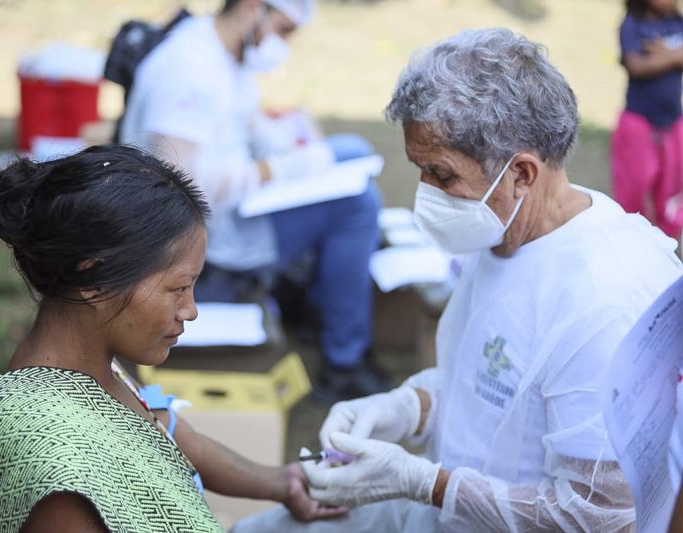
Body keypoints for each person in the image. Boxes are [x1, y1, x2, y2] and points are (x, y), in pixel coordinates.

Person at [232, 28, 683, 532]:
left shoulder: (604, 300)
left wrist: (426, 483)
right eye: (419, 170)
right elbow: (487, 381)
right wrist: (405, 409)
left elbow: (596, 517)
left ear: (522, 174)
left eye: (442, 175)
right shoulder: (504, 230)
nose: (427, 193)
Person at [0, 145, 346, 532]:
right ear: (93, 279)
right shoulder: (53, 462)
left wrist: (285, 482)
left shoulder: (100, 373)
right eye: (177, 289)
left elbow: (184, 442)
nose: (191, 310)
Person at [118, 0, 388, 402]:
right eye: (282, 29)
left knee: (352, 152)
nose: (282, 43)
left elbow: (246, 122)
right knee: (357, 203)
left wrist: (294, 149)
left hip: (234, 204)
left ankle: (326, 308)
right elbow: (177, 184)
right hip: (202, 232)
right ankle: (344, 363)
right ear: (250, 8)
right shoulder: (187, 68)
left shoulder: (221, 51)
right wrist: (276, 171)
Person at [611, 0, 683, 238]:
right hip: (638, 122)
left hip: (673, 122)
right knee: (636, 183)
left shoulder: (677, 22)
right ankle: (630, 238)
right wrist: (676, 57)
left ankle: (669, 239)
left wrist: (666, 57)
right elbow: (636, 66)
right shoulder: (633, 25)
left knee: (672, 185)